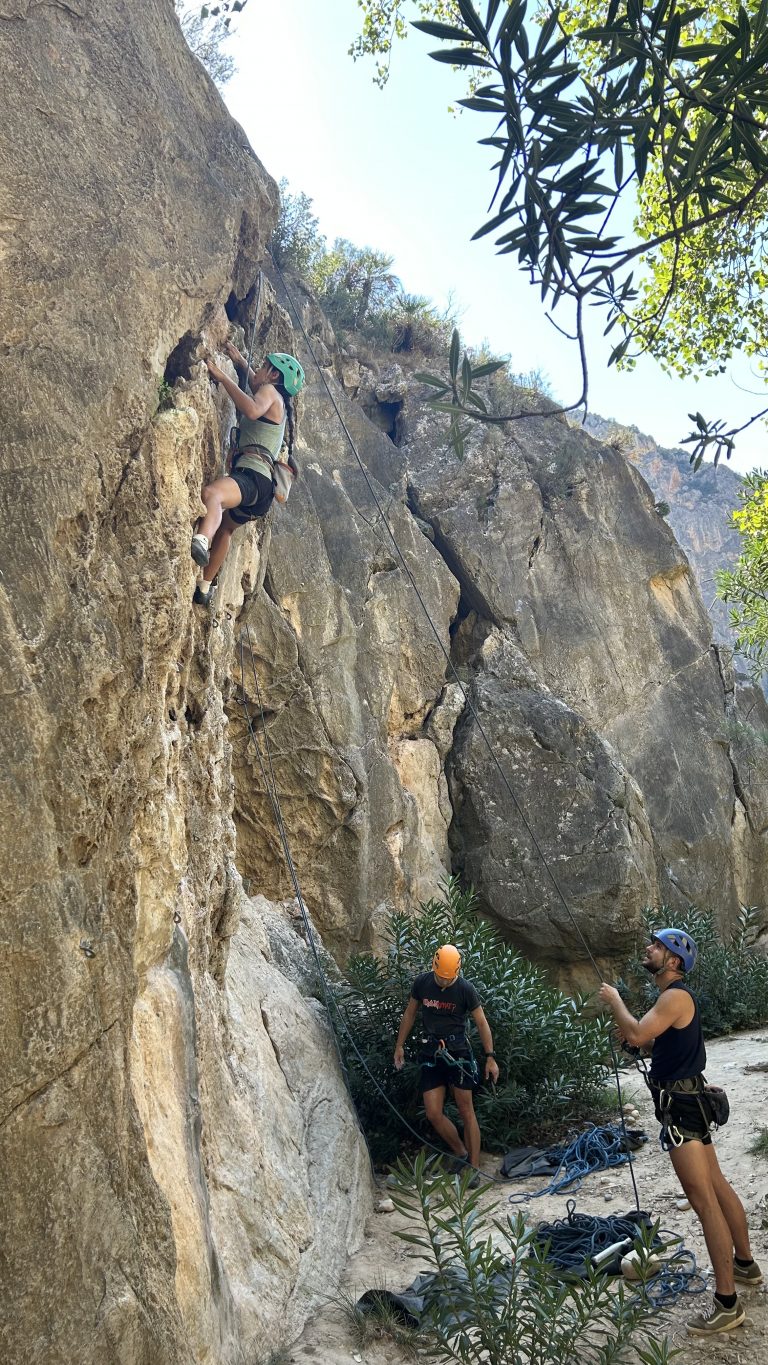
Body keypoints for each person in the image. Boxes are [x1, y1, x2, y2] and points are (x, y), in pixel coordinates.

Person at [599, 927, 762, 1336]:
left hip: (682, 1110)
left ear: (673, 961)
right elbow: (659, 1044)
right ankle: (745, 1265)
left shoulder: (674, 996)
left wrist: (616, 1002)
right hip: (691, 1101)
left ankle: (727, 1304)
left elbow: (637, 1032)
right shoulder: (675, 998)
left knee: (703, 1200)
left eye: (658, 946)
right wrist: (640, 1044)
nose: (649, 948)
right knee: (717, 1184)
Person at [190, 343, 304, 605]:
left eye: (264, 367)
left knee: (212, 495)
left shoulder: (269, 392)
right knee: (226, 529)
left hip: (252, 475)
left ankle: (201, 540)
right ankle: (204, 588)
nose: (259, 370)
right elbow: (255, 384)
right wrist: (240, 360)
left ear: (273, 375)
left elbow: (251, 408)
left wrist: (222, 376)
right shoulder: (277, 401)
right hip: (262, 493)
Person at [394, 944, 500, 1186]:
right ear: (434, 967)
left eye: (448, 978)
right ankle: (461, 1153)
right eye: (441, 977)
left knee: (466, 1110)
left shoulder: (465, 989)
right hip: (431, 1053)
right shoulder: (422, 983)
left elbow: (482, 1023)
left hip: (458, 1053)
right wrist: (399, 1045)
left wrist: (490, 1057)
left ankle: (474, 1167)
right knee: (433, 1113)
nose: (444, 981)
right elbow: (410, 1014)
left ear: (457, 972)